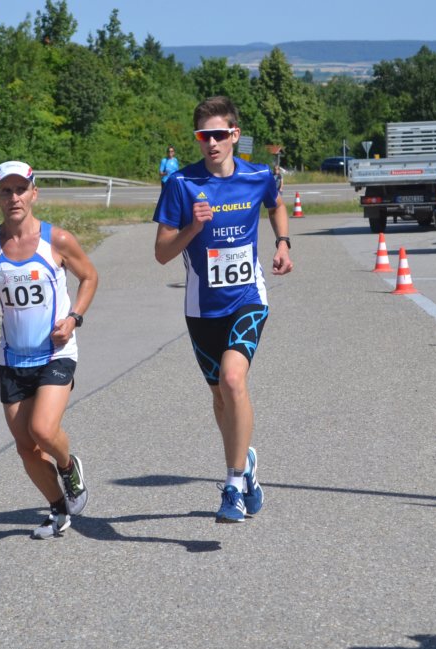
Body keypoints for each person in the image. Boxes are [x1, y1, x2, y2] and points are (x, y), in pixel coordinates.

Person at [152, 95, 293, 522]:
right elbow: (162, 253)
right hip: (202, 308)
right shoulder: (181, 184)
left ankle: (232, 485)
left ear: (234, 134)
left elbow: (277, 204)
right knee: (220, 396)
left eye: (218, 134)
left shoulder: (257, 175)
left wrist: (283, 243)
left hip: (248, 298)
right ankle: (245, 462)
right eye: (203, 136)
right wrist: (194, 226)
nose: (211, 143)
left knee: (233, 380)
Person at [0, 161, 99, 539]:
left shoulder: (57, 240)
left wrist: (74, 318)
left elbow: (89, 277)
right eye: (6, 191)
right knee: (26, 448)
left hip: (56, 352)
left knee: (42, 429)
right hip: (13, 358)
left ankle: (68, 467)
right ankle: (58, 509)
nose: (14, 197)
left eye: (21, 190)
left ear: (34, 193)